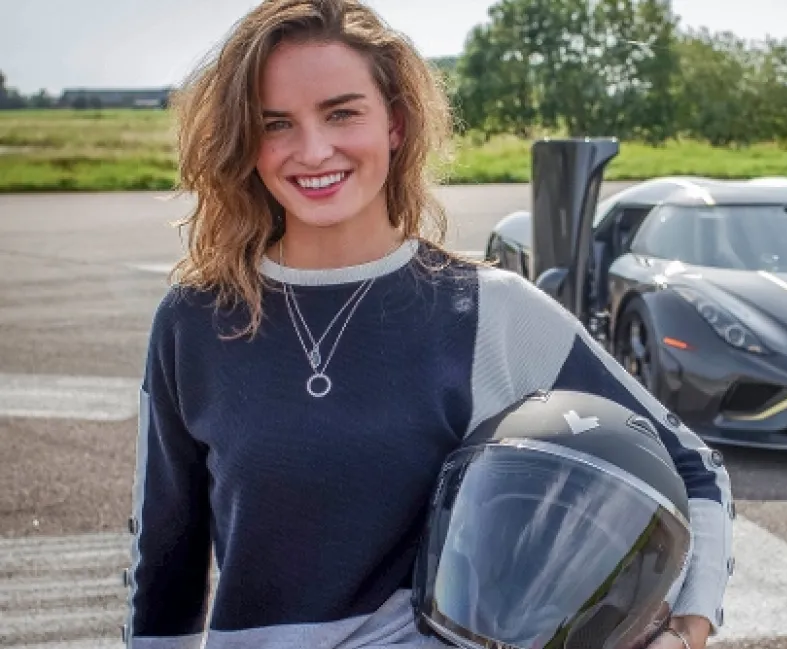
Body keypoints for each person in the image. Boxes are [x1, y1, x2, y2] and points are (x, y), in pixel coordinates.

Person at [125, 1, 734, 648]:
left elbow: (693, 468)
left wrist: (685, 632)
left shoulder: (488, 308)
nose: (313, 150)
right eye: (276, 123)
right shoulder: (195, 320)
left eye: (341, 113)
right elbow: (165, 560)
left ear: (395, 123)